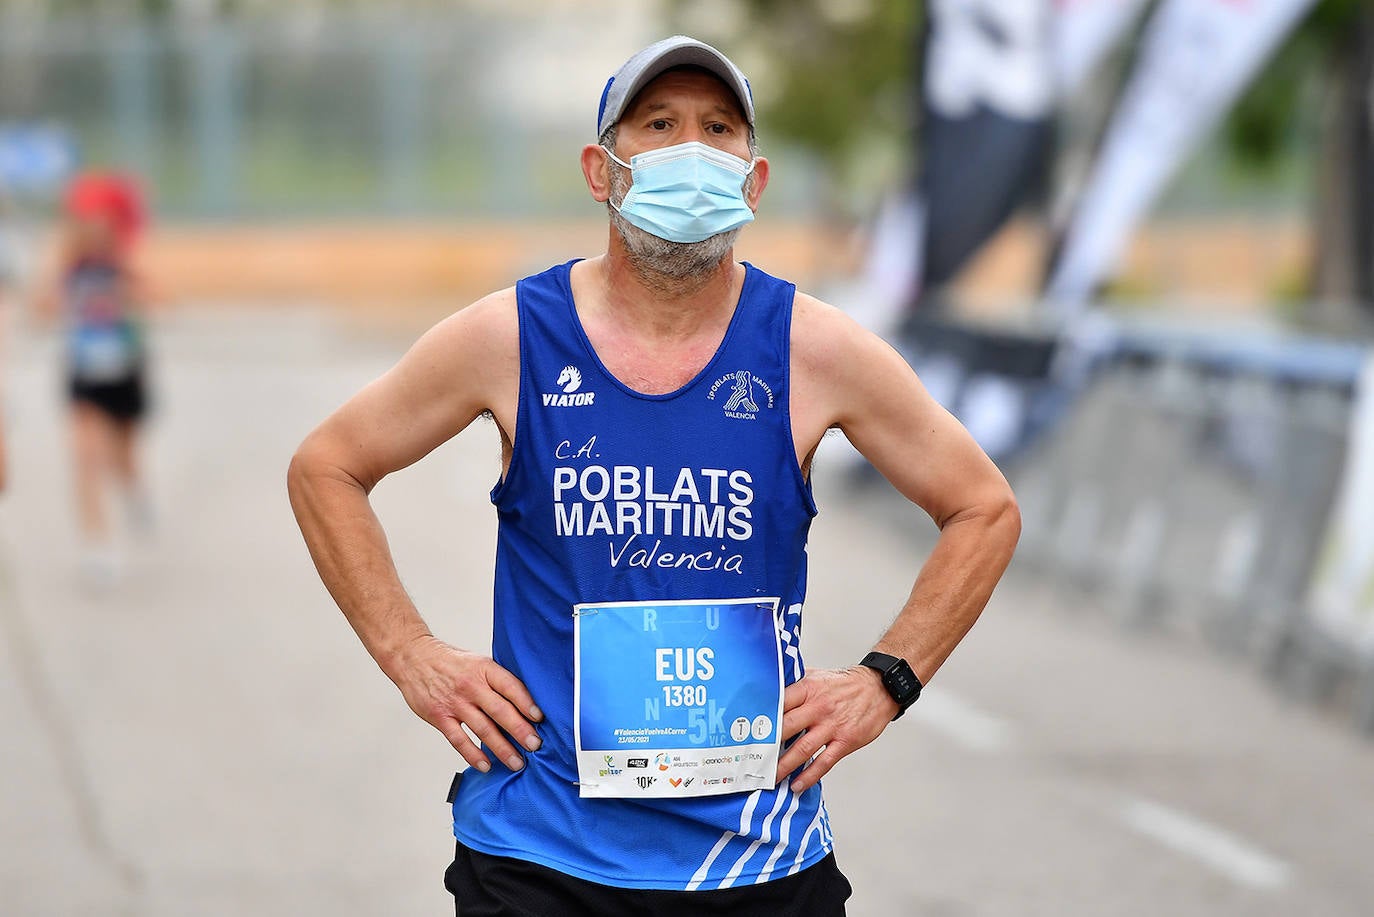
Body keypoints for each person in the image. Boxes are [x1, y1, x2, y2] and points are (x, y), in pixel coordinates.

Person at [288, 36, 1019, 915]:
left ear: (754, 182)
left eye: (719, 130)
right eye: (660, 125)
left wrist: (886, 680)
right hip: (538, 853)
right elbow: (326, 465)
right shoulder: (512, 337)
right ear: (603, 171)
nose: (692, 151)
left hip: (755, 859)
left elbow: (983, 506)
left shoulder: (815, 348)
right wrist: (410, 654)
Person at [36, 171, 152, 580]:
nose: (94, 233)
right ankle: (96, 543)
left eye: (103, 225)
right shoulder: (71, 268)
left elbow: (160, 298)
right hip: (85, 371)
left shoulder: (124, 264)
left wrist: (126, 288)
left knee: (123, 456)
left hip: (124, 370)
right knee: (85, 456)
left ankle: (134, 492)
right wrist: (60, 283)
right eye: (87, 225)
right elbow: (42, 309)